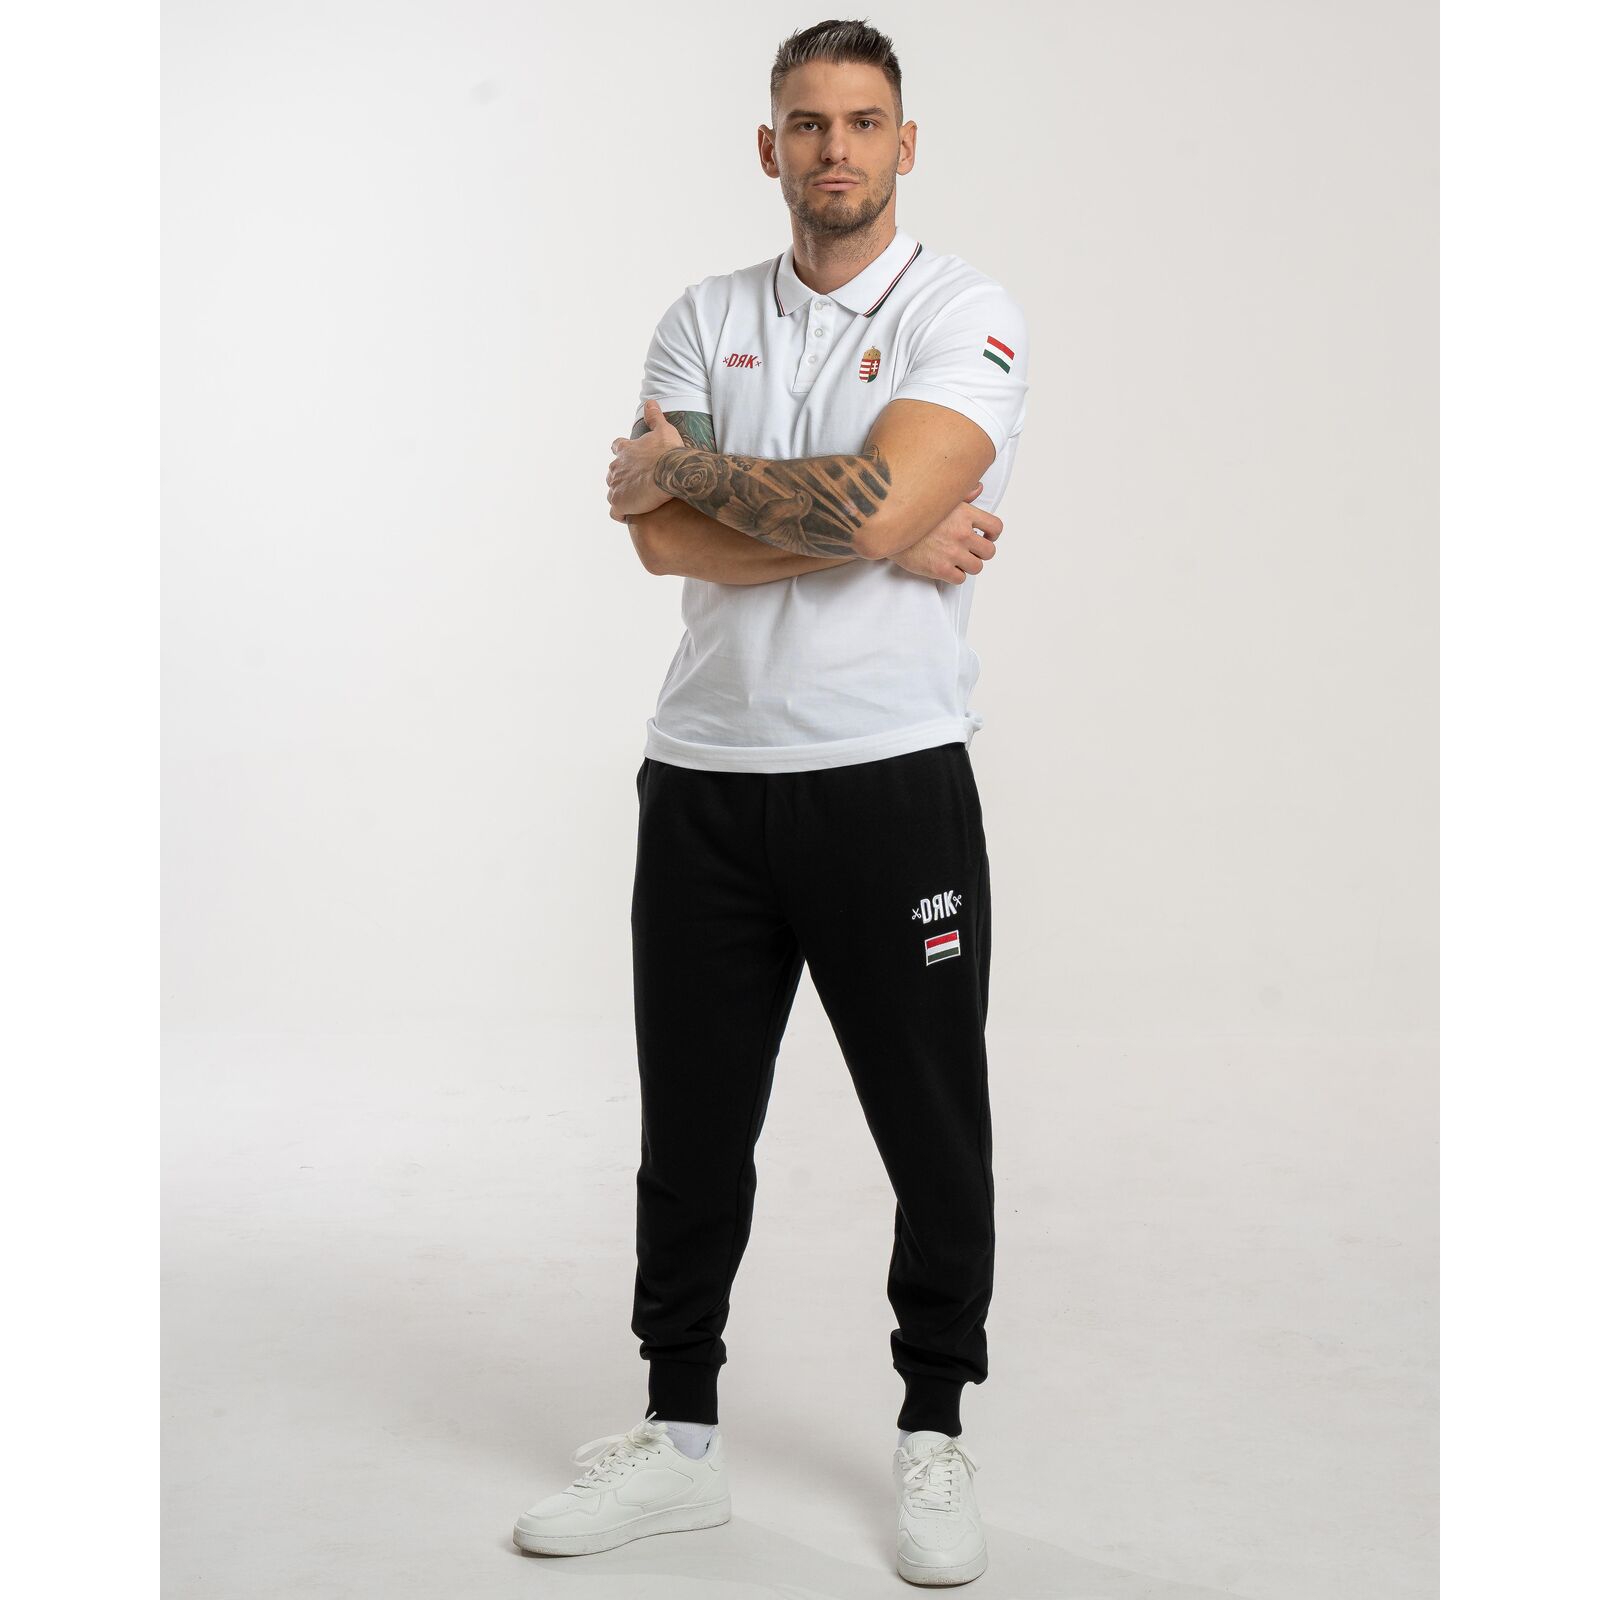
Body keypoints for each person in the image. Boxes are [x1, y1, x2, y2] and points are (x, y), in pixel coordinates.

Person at [513, 18, 1028, 1587]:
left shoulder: (963, 310)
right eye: (807, 122)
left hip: (890, 780)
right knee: (691, 1130)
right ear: (769, 147)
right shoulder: (703, 313)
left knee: (932, 1129)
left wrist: (750, 485)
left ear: (905, 143)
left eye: (862, 121)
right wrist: (873, 521)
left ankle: (933, 1432)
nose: (834, 149)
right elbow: (664, 543)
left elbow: (848, 501)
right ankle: (679, 1444)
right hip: (708, 783)